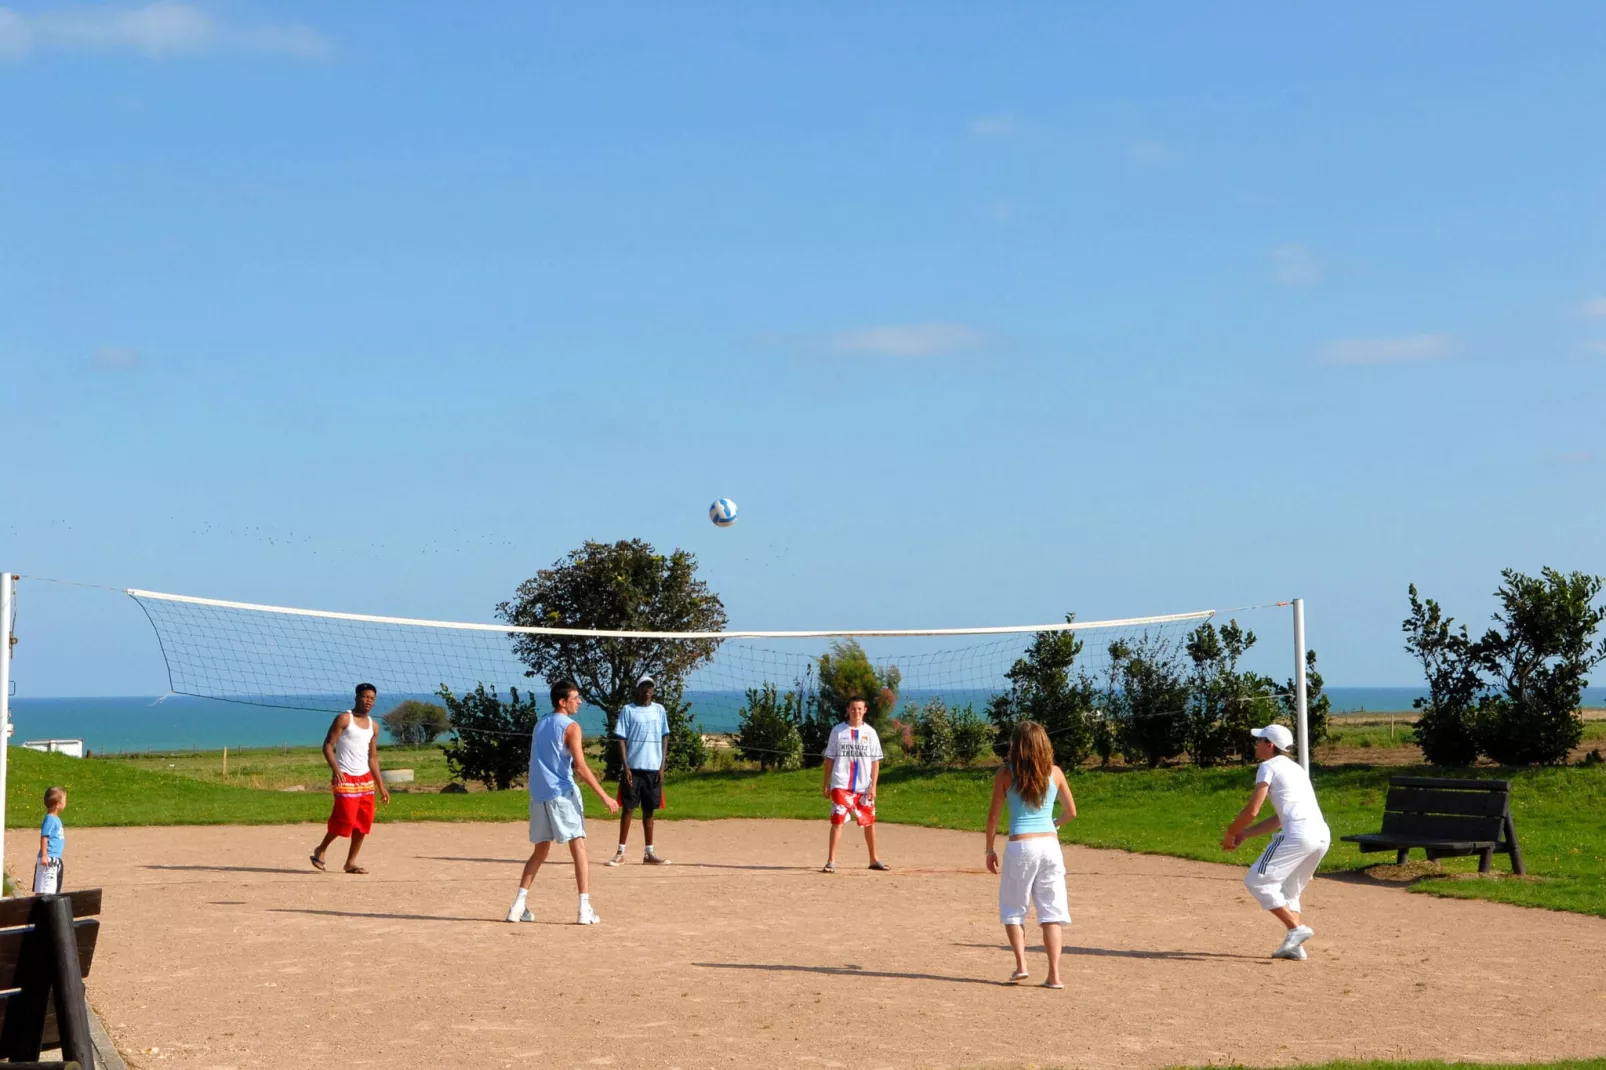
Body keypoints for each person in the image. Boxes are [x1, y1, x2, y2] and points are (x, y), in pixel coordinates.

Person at [507, 679, 620, 925]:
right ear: (562, 701)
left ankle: (517, 906)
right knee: (578, 848)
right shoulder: (571, 727)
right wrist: (604, 795)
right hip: (561, 795)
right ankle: (583, 909)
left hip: (538, 796)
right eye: (575, 697)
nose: (579, 701)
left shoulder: (540, 724)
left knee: (540, 851)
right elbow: (579, 766)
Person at [1221, 723, 1331, 961]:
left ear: (1269, 745)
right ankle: (1295, 947)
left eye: (1260, 740)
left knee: (1256, 881)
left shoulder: (1267, 767)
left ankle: (1296, 928)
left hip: (1299, 834)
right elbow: (1278, 819)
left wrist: (1231, 832)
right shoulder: (1297, 769)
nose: (1256, 744)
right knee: (1290, 890)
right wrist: (1245, 834)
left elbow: (1252, 810)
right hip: (1321, 835)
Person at [985, 721, 1076, 988]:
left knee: (1013, 908)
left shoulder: (1005, 773)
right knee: (1051, 911)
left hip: (1021, 846)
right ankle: (1054, 975)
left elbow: (993, 817)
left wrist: (989, 849)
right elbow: (1071, 812)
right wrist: (1053, 825)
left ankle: (1021, 966)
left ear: (1016, 744)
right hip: (1050, 846)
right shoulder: (1055, 772)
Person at [310, 683, 390, 874]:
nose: (368, 701)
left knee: (364, 822)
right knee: (344, 819)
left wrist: (381, 786)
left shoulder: (374, 726)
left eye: (372, 698)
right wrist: (336, 770)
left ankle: (350, 862)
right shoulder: (344, 719)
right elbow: (328, 746)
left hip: (365, 780)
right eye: (365, 697)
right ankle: (321, 849)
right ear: (357, 697)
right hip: (345, 777)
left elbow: (373, 758)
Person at [606, 675, 671, 866]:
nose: (647, 690)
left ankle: (649, 853)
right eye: (644, 686)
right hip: (633, 769)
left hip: (653, 770)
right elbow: (620, 739)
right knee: (628, 810)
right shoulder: (628, 710)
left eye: (650, 687)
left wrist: (662, 766)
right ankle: (620, 852)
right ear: (638, 689)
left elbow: (664, 737)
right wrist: (625, 767)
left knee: (649, 812)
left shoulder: (659, 710)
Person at [820, 696, 889, 873]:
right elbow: (829, 758)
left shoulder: (870, 733)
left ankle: (874, 859)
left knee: (869, 822)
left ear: (865, 710)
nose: (856, 712)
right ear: (848, 709)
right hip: (841, 783)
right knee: (838, 820)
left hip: (864, 786)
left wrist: (873, 786)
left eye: (859, 708)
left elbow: (875, 761)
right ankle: (831, 861)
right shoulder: (838, 731)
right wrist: (826, 783)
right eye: (853, 708)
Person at [34, 786, 67, 895]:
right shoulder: (50, 819)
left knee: (51, 890)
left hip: (54, 859)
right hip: (49, 860)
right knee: (46, 890)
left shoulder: (54, 819)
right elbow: (44, 836)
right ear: (58, 804)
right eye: (64, 800)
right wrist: (44, 855)